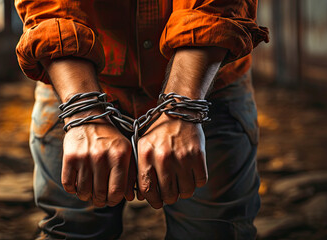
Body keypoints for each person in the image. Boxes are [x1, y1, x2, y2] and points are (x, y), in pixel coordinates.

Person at [15, 0, 269, 239]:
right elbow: (50, 7)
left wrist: (184, 106)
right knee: (72, 229)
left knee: (213, 231)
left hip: (208, 81)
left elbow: (217, 7)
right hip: (71, 81)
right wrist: (83, 114)